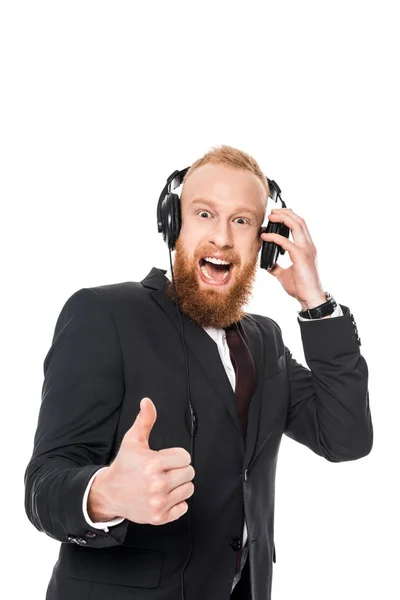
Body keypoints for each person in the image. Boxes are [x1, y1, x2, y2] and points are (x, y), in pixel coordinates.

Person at [24, 145, 373, 600]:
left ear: (263, 244)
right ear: (174, 225)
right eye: (205, 214)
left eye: (242, 221)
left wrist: (315, 301)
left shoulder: (265, 342)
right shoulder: (104, 315)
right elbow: (43, 486)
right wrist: (104, 493)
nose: (223, 238)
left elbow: (345, 437)